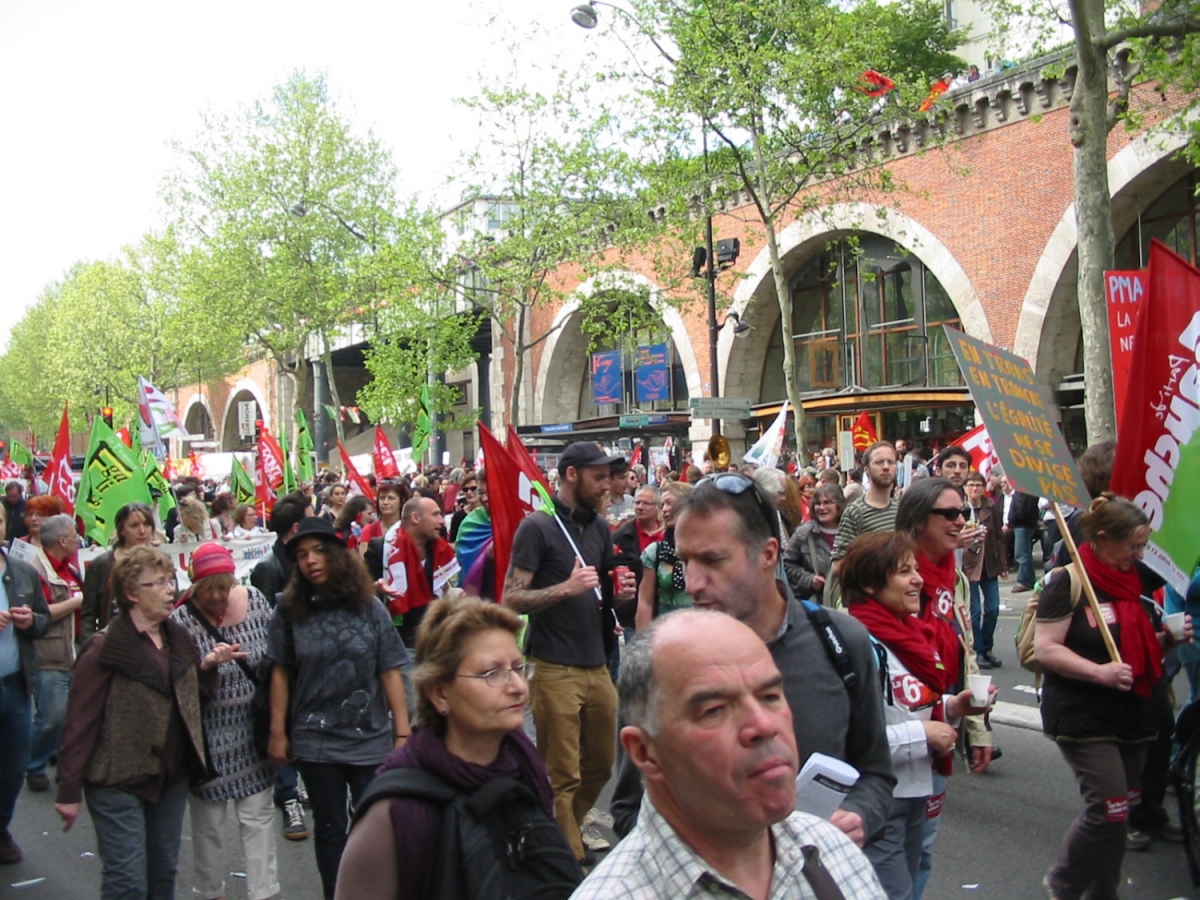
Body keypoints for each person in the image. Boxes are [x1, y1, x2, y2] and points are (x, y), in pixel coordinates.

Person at [611, 472, 896, 852]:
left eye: (713, 560)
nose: (692, 583)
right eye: (685, 561)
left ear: (768, 554)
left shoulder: (841, 643)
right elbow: (629, 811)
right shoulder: (659, 663)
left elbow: (876, 773)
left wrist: (858, 816)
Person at [572, 609, 886, 900]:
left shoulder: (836, 856)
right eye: (714, 711)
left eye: (771, 696)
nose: (763, 725)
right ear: (645, 752)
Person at [335, 596, 582, 900]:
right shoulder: (395, 812)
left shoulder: (528, 770)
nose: (517, 686)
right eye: (492, 673)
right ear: (439, 693)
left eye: (518, 668)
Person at [54, 546, 241, 899]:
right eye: (157, 583)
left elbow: (189, 699)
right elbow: (79, 721)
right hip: (117, 778)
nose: (170, 589)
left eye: (170, 581)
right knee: (126, 881)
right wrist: (68, 790)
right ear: (131, 593)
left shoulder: (177, 638)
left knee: (162, 874)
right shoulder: (104, 648)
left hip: (168, 777)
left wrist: (207, 669)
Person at [1035, 495, 1186, 900]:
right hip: (1083, 715)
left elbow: (1139, 650)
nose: (1138, 555)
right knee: (1109, 807)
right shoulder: (1068, 581)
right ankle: (1064, 884)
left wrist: (1167, 640)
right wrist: (1099, 672)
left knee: (1121, 813)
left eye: (1142, 547)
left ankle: (1104, 892)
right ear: (1102, 539)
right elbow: (1046, 648)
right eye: (1132, 547)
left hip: (1134, 712)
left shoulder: (1133, 580)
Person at [503, 441, 637, 862]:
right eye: (598, 477)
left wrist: (620, 597)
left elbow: (600, 597)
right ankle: (568, 862)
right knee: (562, 773)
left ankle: (558, 828)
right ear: (572, 475)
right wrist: (566, 588)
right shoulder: (537, 528)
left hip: (596, 662)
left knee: (600, 762)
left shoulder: (598, 528)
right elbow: (512, 598)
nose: (606, 486)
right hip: (553, 665)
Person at [841, 532, 992, 900]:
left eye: (915, 569)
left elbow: (909, 707)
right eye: (903, 572)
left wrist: (954, 708)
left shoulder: (914, 633)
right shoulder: (853, 642)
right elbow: (847, 736)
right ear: (869, 584)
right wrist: (923, 735)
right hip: (874, 800)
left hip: (916, 790)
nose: (918, 579)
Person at [266, 516, 410, 900]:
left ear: (336, 555)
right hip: (316, 739)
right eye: (301, 555)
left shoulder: (369, 607)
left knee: (373, 826)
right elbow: (280, 672)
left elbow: (389, 671)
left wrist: (403, 733)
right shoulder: (287, 609)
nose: (310, 560)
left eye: (318, 552)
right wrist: (278, 732)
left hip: (371, 736)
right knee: (330, 829)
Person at [895, 477, 992, 899]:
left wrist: (978, 729)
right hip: (896, 731)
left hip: (942, 720)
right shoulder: (888, 571)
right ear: (918, 521)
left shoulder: (954, 574)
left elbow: (962, 649)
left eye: (962, 513)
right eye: (948, 514)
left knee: (923, 847)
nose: (959, 521)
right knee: (892, 849)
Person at [172, 543, 280, 900]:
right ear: (194, 586)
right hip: (207, 737)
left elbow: (276, 656)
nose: (218, 596)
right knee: (208, 825)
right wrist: (205, 666)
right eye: (208, 588)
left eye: (224, 586)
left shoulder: (255, 600)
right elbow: (174, 682)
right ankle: (210, 891)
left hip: (252, 729)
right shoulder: (180, 620)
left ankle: (263, 891)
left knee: (258, 817)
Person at [0, 503, 51, 865]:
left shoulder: (21, 571)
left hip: (15, 686)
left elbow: (44, 620)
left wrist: (30, 620)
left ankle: (1, 827)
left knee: (13, 764)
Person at [25, 514, 82, 794]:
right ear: (62, 541)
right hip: (49, 653)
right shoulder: (36, 569)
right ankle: (33, 765)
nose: (77, 541)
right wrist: (75, 602)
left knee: (70, 715)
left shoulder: (69, 568)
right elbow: (41, 613)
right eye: (74, 536)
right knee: (51, 716)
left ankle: (62, 762)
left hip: (71, 651)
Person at [382, 496, 460, 651]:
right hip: (398, 641)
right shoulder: (382, 548)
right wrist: (378, 587)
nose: (442, 521)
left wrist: (452, 595)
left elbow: (445, 589)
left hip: (434, 639)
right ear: (415, 518)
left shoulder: (442, 551)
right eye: (435, 515)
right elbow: (363, 592)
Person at [81, 502, 160, 641]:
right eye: (134, 525)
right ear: (121, 530)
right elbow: (88, 615)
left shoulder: (162, 562)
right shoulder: (101, 564)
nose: (142, 531)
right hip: (113, 643)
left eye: (147, 524)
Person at [962, 471, 1007, 669]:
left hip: (989, 563)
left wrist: (1004, 564)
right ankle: (978, 649)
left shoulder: (991, 506)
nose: (974, 488)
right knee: (974, 610)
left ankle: (987, 647)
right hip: (969, 564)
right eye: (971, 485)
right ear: (965, 488)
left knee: (993, 607)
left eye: (978, 485)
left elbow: (998, 537)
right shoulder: (961, 508)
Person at [831, 441, 899, 569]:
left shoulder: (901, 509)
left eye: (891, 462)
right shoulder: (854, 513)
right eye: (879, 462)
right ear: (866, 469)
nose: (886, 467)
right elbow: (837, 566)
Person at [635, 482, 692, 630]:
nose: (665, 509)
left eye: (670, 503)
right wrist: (643, 646)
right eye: (662, 505)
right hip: (666, 634)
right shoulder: (655, 552)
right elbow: (645, 603)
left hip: (702, 634)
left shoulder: (707, 548)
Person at [783, 482, 845, 603]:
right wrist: (809, 580)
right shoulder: (804, 534)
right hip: (818, 604)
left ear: (839, 504)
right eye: (818, 503)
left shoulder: (851, 530)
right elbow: (787, 564)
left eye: (827, 502)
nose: (821, 508)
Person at [1007, 489, 1041, 593]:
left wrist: (1015, 518)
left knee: (1022, 553)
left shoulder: (1025, 490)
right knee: (1023, 553)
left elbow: (1024, 508)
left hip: (1023, 524)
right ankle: (1028, 579)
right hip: (1021, 523)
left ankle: (1025, 581)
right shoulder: (1021, 489)